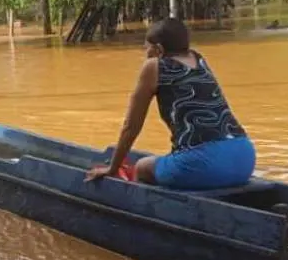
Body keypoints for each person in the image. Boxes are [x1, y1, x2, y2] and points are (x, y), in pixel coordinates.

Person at [85, 18, 256, 190]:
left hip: (204, 165)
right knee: (172, 158)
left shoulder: (154, 66)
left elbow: (131, 126)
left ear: (159, 50)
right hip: (245, 158)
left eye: (147, 49)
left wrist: (112, 168)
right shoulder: (199, 59)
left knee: (142, 167)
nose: (146, 55)